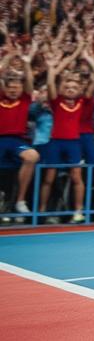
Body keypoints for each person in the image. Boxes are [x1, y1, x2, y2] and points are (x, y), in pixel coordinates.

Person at [41, 48, 94, 223]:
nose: (70, 89)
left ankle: (78, 211)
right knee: (49, 178)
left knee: (77, 177)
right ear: (62, 88)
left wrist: (89, 58)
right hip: (55, 143)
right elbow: (51, 83)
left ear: (80, 89)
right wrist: (53, 68)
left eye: (74, 87)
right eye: (67, 86)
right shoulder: (56, 101)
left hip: (74, 143)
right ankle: (41, 211)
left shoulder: (83, 101)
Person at [1, 44, 41, 219]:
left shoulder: (25, 99)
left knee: (32, 156)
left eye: (17, 86)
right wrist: (9, 56)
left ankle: (20, 201)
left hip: (17, 141)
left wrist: (26, 62)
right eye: (10, 87)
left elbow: (30, 82)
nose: (13, 89)